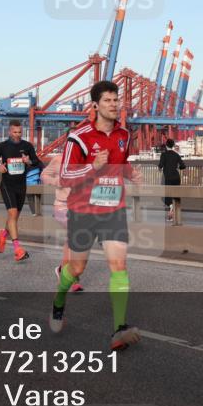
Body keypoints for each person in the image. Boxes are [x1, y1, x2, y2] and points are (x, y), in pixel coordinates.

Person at [50, 80, 144, 351]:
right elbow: (65, 175)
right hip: (83, 211)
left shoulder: (124, 134)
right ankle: (59, 300)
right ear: (95, 105)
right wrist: (92, 166)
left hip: (113, 209)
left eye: (116, 100)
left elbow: (120, 163)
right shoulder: (79, 137)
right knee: (77, 269)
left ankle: (119, 329)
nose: (113, 104)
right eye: (107, 100)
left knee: (119, 266)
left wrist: (131, 173)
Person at [0, 119, 41, 262]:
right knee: (12, 213)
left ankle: (3, 234)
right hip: (7, 185)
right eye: (14, 132)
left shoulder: (27, 146)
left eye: (19, 132)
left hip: (21, 185)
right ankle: (17, 249)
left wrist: (28, 161)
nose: (17, 135)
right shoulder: (2, 146)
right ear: (9, 131)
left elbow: (36, 161)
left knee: (14, 217)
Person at [41, 148, 84, 294]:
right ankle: (69, 277)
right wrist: (56, 181)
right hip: (61, 206)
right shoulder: (59, 159)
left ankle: (64, 271)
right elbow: (44, 175)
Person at [158, 138, 186, 221]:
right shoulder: (176, 155)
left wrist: (160, 169)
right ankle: (173, 215)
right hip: (176, 177)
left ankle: (171, 209)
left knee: (166, 196)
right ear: (173, 145)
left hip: (168, 178)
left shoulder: (164, 154)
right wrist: (177, 167)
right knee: (176, 196)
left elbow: (160, 165)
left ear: (166, 145)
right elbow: (183, 166)